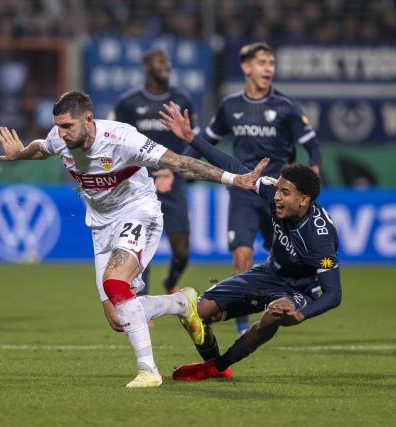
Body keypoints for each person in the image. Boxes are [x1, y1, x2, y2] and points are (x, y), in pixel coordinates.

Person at [0, 91, 268, 387]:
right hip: (102, 227)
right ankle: (181, 303)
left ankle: (148, 371)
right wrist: (20, 153)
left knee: (115, 281)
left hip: (139, 212)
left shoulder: (122, 138)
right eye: (58, 126)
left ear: (88, 119)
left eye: (67, 126)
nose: (61, 133)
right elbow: (41, 147)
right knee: (118, 319)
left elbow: (180, 163)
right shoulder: (60, 138)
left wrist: (233, 179)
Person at [160, 103, 341, 381]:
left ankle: (218, 366)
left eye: (285, 193)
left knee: (274, 313)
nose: (277, 197)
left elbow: (332, 294)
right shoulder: (274, 196)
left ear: (304, 200)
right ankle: (215, 366)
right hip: (269, 272)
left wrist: (301, 314)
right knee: (200, 311)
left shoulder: (319, 238)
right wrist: (191, 138)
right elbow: (235, 167)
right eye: (277, 189)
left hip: (298, 290)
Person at [198, 42, 322, 335]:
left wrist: (314, 168)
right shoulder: (230, 106)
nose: (269, 68)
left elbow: (312, 145)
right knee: (241, 255)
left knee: (283, 256)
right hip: (243, 192)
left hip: (278, 196)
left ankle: (298, 293)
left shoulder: (286, 106)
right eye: (263, 62)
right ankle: (241, 322)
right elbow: (208, 140)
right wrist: (176, 166)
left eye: (271, 63)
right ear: (246, 68)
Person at [113, 48, 197, 296]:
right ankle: (140, 299)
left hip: (173, 181)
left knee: (182, 250)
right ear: (146, 66)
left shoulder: (182, 100)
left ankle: (171, 280)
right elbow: (119, 144)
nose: (166, 65)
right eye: (160, 61)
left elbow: (194, 139)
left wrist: (178, 170)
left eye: (168, 61)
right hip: (140, 184)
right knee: (140, 242)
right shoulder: (128, 103)